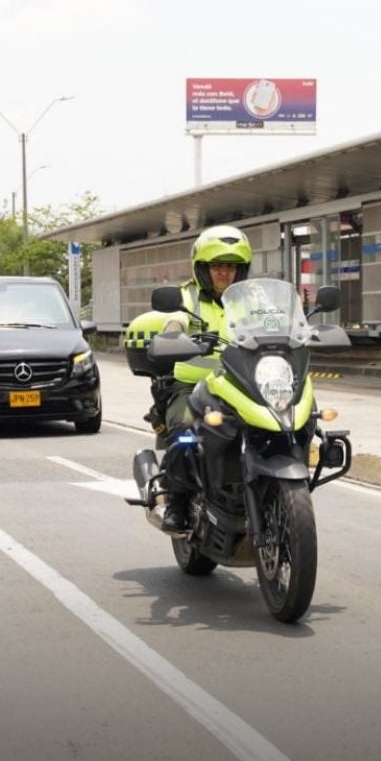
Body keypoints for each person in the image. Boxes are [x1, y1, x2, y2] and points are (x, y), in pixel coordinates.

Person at [157, 225, 253, 532]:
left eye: (232, 267)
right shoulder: (188, 297)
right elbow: (176, 320)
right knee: (185, 430)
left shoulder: (251, 299)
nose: (225, 273)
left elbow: (275, 320)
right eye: (217, 266)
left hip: (241, 384)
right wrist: (173, 335)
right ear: (203, 269)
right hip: (193, 386)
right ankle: (178, 501)